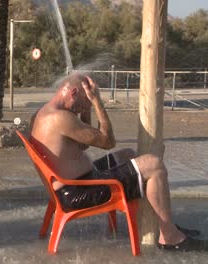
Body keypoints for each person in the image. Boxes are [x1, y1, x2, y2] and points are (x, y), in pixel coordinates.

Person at [30, 73, 207, 251]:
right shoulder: (61, 118)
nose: (84, 107)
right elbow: (108, 141)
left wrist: (86, 109)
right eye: (85, 102)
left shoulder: (43, 113)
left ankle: (164, 224)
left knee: (127, 154)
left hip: (71, 185)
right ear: (73, 93)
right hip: (77, 192)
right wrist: (97, 101)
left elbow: (82, 145)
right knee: (154, 165)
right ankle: (170, 237)